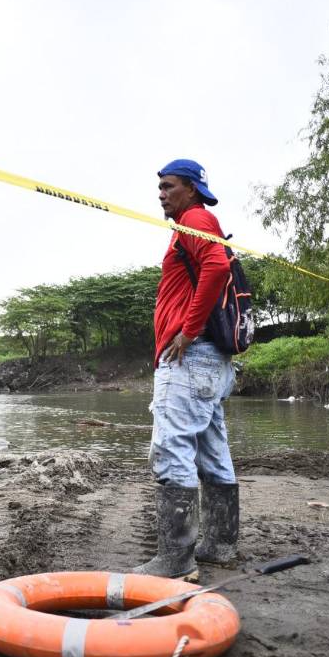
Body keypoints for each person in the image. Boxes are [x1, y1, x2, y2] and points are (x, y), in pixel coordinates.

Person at [133, 158, 240, 582]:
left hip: (190, 359)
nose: (161, 193)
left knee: (171, 448)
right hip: (210, 362)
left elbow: (216, 267)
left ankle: (176, 560)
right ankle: (219, 544)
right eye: (159, 187)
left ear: (192, 189)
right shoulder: (196, 223)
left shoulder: (195, 219)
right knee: (213, 451)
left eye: (169, 186)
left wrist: (187, 330)